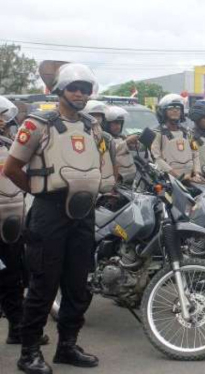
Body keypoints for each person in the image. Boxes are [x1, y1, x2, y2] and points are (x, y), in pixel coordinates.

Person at [3, 63, 102, 374]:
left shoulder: (90, 126)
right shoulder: (37, 125)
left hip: (83, 213)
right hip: (49, 213)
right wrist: (37, 191)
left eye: (86, 89)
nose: (80, 94)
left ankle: (67, 346)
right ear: (60, 90)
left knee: (78, 285)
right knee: (43, 284)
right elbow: (12, 169)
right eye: (74, 87)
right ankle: (29, 351)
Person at [0, 96, 49, 347]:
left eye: (2, 118)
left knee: (15, 277)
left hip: (12, 223)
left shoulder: (10, 146)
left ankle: (16, 329)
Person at [150, 94, 205, 183]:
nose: (175, 110)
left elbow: (195, 153)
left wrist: (197, 173)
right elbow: (157, 158)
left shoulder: (188, 133)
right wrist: (177, 176)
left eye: (178, 108)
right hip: (169, 181)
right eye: (171, 108)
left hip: (190, 180)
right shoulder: (158, 133)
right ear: (163, 111)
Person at [81, 100, 116, 193]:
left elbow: (112, 162)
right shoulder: (78, 134)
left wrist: (114, 186)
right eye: (93, 115)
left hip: (103, 181)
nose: (96, 118)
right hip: (84, 181)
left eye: (99, 115)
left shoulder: (106, 137)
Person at [103, 106, 137, 185]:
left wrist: (133, 144)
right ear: (107, 124)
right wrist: (127, 142)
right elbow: (109, 151)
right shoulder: (104, 138)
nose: (118, 126)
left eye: (120, 123)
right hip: (116, 180)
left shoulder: (121, 137)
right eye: (115, 123)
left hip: (129, 179)